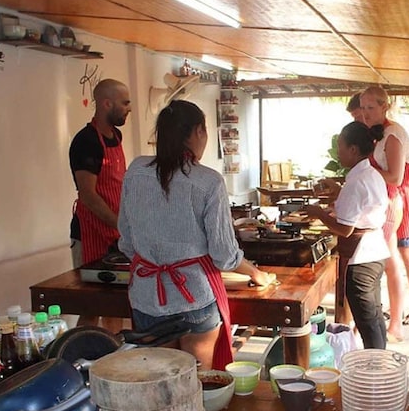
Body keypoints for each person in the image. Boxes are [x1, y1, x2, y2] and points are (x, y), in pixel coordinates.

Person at [118, 100, 275, 370]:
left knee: (159, 382)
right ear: (199, 132)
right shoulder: (208, 181)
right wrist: (255, 273)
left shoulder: (135, 172)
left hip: (147, 296)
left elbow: (127, 242)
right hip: (194, 297)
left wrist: (156, 261)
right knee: (198, 382)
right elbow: (224, 255)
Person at [305, 122, 389, 349]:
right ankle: (381, 361)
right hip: (375, 253)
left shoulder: (357, 180)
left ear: (353, 149)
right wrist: (338, 190)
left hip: (361, 257)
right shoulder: (370, 174)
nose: (338, 151)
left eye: (340, 146)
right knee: (374, 315)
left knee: (368, 321)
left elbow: (344, 228)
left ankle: (377, 368)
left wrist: (318, 212)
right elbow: (361, 206)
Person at [360, 86, 409, 341]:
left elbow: (395, 177)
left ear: (384, 107)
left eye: (371, 108)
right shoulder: (378, 133)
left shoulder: (392, 134)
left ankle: (397, 322)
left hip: (394, 200)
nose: (366, 113)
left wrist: (363, 174)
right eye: (363, 108)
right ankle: (392, 316)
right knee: (390, 261)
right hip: (384, 200)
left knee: (395, 261)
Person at [69, 78, 132, 268]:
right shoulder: (86, 141)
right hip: (91, 233)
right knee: (93, 295)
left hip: (115, 232)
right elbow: (88, 195)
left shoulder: (116, 136)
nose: (129, 109)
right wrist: (121, 225)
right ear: (107, 104)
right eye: (125, 103)